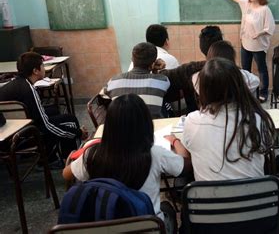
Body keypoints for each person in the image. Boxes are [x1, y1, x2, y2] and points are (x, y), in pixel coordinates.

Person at [63, 94, 190, 234]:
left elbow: (67, 174)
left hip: (107, 224)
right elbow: (185, 166)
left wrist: (74, 156)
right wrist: (175, 141)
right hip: (147, 227)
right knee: (167, 208)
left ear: (109, 125)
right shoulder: (155, 153)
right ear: (146, 123)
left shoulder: (93, 154)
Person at [167, 58, 274, 181]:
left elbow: (187, 156)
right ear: (240, 85)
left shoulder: (193, 120)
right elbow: (266, 150)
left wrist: (174, 141)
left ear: (203, 91)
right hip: (257, 197)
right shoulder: (258, 118)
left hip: (209, 198)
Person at [0, 52, 85, 161]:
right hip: (22, 137)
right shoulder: (29, 90)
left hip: (10, 130)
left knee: (54, 111)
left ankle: (51, 156)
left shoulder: (16, 84)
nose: (44, 68)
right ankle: (71, 161)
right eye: (42, 65)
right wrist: (78, 133)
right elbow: (46, 126)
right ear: (35, 71)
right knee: (70, 122)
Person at [216, 0, 275, 102]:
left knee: (262, 69)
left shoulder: (265, 9)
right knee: (245, 69)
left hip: (258, 45)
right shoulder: (246, 4)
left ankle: (263, 92)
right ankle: (246, 92)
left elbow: (269, 27)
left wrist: (258, 33)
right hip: (245, 43)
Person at [104, 42, 170, 118]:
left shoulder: (113, 81)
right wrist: (154, 70)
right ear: (153, 64)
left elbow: (104, 94)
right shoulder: (162, 80)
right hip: (152, 126)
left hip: (122, 125)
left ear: (132, 59)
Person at [192, 40, 260, 95]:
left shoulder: (198, 77)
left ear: (209, 57)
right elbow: (256, 81)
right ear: (231, 58)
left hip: (211, 110)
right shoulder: (242, 75)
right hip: (237, 110)